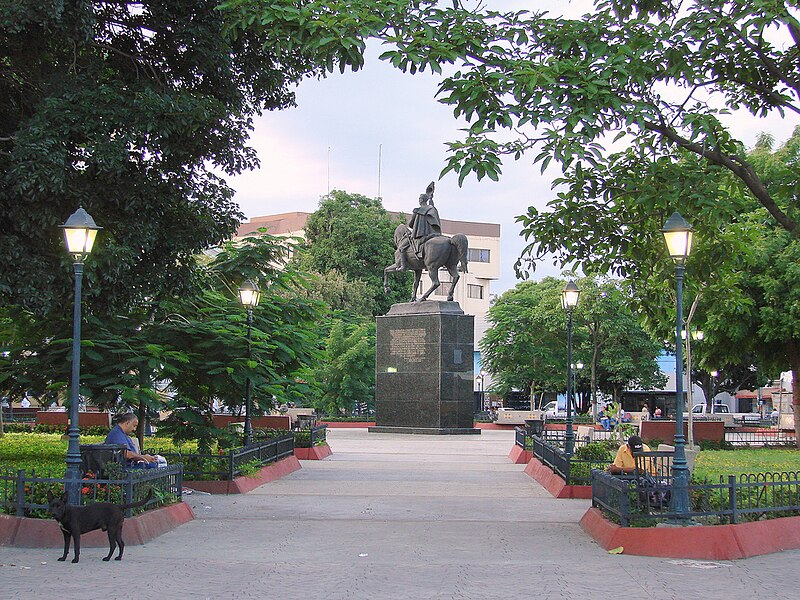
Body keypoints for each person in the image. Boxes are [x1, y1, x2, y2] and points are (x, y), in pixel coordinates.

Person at [397, 181, 442, 270]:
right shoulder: (432, 209)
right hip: (431, 235)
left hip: (420, 236)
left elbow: (410, 224)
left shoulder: (417, 210)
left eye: (419, 198)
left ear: (421, 200)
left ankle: (403, 266)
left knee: (401, 248)